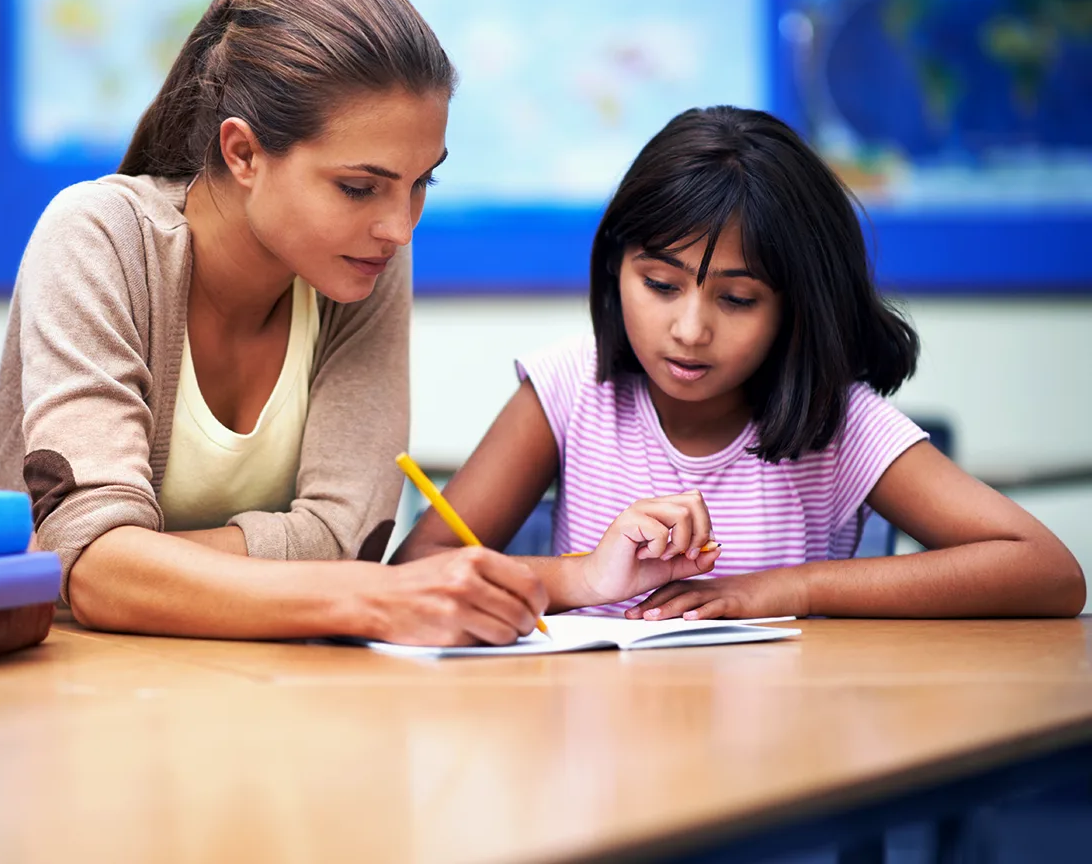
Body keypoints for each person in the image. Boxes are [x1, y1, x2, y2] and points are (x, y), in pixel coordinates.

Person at [0, 0, 548, 646]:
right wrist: (363, 600)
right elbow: (95, 570)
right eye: (360, 187)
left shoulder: (360, 265)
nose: (400, 228)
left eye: (421, 182)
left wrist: (131, 558)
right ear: (244, 152)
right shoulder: (98, 236)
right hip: (61, 687)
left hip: (261, 686)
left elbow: (347, 541)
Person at [394, 105, 1085, 621]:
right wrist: (580, 581)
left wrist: (790, 587)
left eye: (739, 298)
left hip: (779, 761)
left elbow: (1048, 572)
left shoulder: (836, 423)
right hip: (595, 761)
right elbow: (419, 569)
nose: (690, 330)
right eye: (660, 286)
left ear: (796, 304)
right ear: (614, 270)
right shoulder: (571, 387)